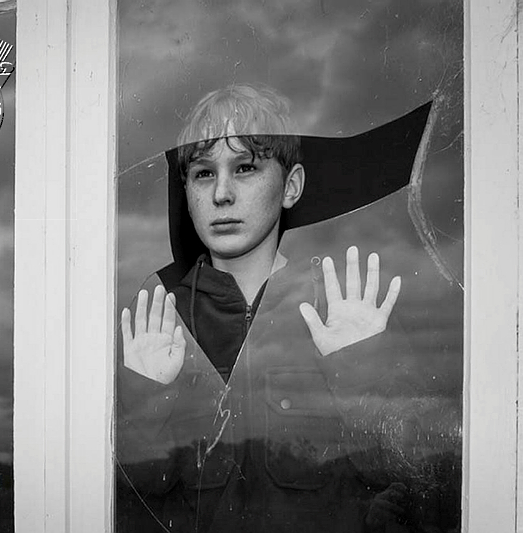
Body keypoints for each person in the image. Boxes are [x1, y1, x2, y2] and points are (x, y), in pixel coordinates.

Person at [116, 85, 459, 532]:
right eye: (203, 173)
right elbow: (131, 494)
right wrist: (145, 395)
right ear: (187, 191)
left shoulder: (339, 307)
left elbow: (413, 475)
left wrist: (361, 366)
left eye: (245, 168)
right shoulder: (160, 319)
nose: (222, 193)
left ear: (291, 186)